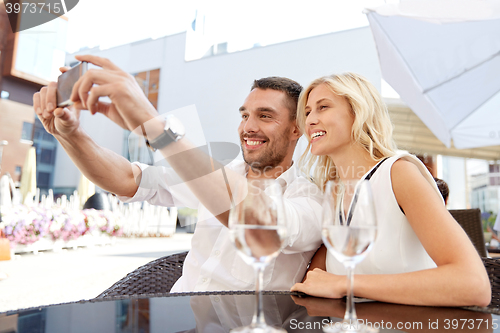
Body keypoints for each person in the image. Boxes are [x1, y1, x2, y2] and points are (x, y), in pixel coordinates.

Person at [32, 55, 323, 292]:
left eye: (265, 116)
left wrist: (156, 127)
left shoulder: (312, 197)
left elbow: (256, 222)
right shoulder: (217, 173)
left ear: (297, 128)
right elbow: (131, 180)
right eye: (245, 115)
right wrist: (70, 134)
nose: (248, 127)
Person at [291, 73, 490, 307]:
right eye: (307, 112)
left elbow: (473, 284)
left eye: (323, 107)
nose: (310, 120)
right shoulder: (332, 193)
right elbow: (313, 283)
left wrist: (347, 284)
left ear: (359, 113)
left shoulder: (398, 173)